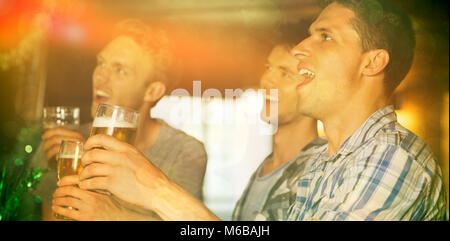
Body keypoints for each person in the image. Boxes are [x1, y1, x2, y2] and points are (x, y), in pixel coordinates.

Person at [53, 0, 446, 221]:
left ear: (371, 62)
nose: (300, 49)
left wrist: (154, 191)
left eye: (324, 36)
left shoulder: (391, 159)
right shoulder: (321, 163)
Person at [31, 20, 207, 221]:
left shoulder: (184, 152)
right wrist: (65, 172)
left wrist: (111, 215)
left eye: (120, 70)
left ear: (152, 91)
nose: (100, 76)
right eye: (101, 63)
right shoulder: (66, 143)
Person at [232, 36, 326, 220]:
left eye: (286, 74)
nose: (266, 81)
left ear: (312, 89)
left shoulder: (320, 172)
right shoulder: (265, 168)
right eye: (268, 68)